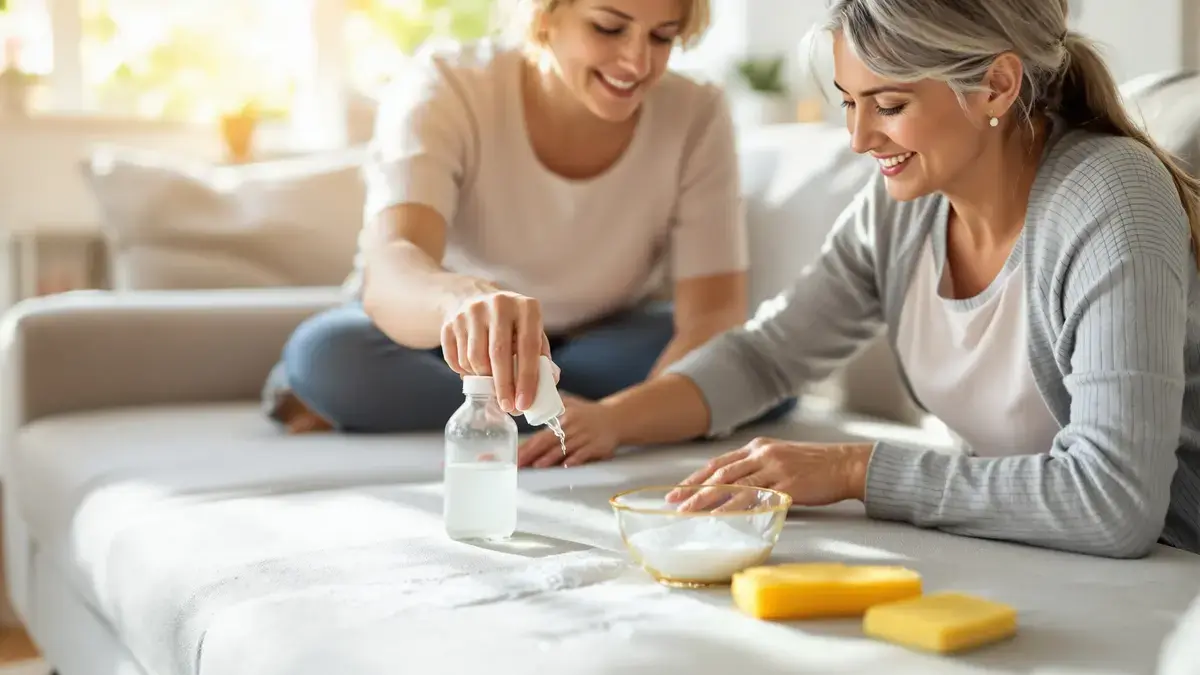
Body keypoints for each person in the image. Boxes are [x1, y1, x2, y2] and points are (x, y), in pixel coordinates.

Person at [557, 0, 1200, 559]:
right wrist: (612, 421)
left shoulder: (1112, 195)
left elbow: (1115, 502)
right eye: (848, 103)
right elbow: (769, 356)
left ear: (998, 86)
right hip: (1034, 557)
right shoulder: (910, 205)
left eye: (888, 105)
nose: (860, 138)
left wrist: (853, 468)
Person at [265, 0, 795, 451]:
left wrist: (618, 422)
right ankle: (557, 412)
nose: (637, 61)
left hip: (598, 341)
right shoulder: (450, 83)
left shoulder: (697, 111)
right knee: (330, 355)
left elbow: (712, 318)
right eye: (608, 27)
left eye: (663, 36)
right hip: (441, 346)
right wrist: (462, 303)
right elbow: (393, 265)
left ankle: (532, 414)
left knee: (764, 366)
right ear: (545, 14)